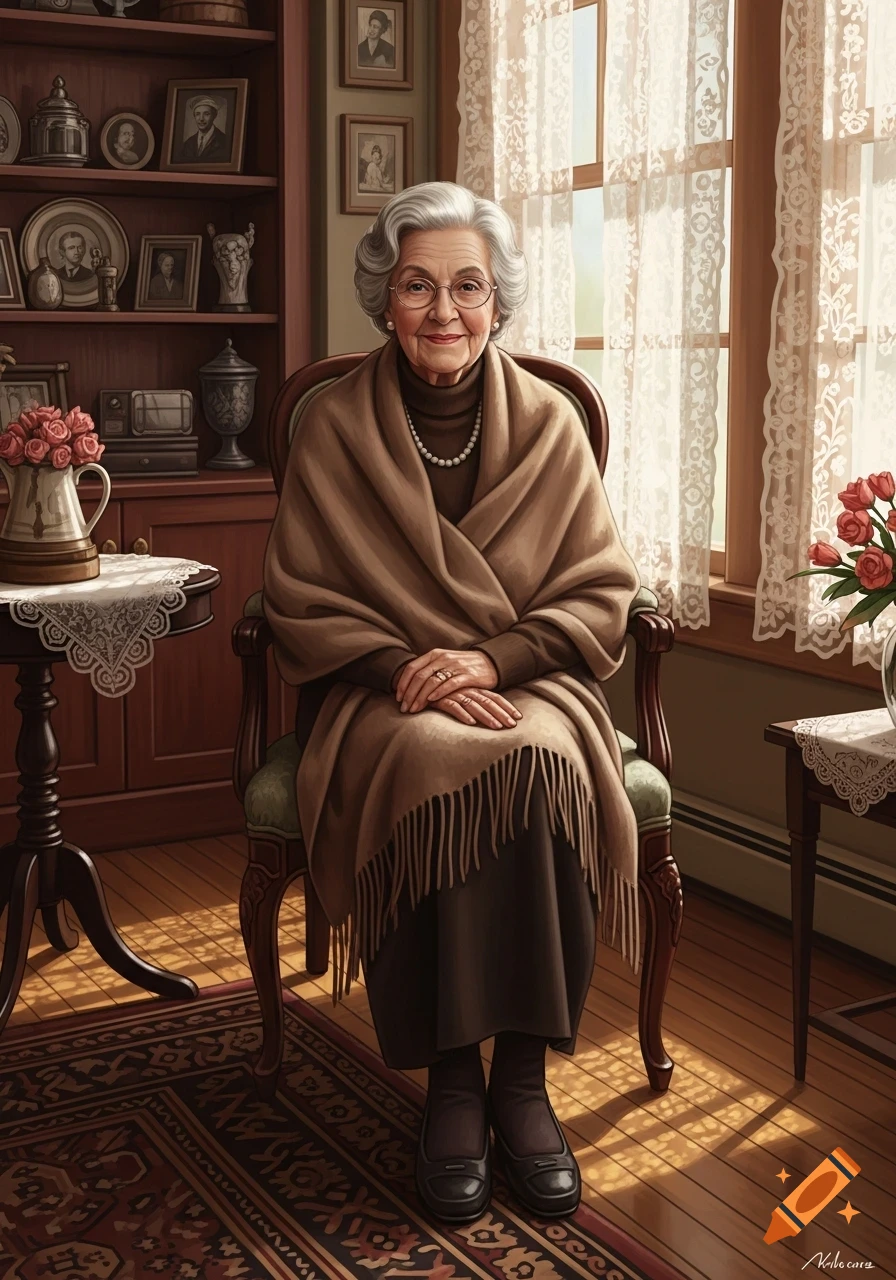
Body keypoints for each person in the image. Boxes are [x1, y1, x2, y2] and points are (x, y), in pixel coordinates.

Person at [264, 181, 641, 1227]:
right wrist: (404, 669)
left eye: (465, 286)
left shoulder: (553, 424)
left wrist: (492, 659)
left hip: (528, 677)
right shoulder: (334, 426)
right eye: (417, 285)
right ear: (382, 300)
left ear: (498, 300)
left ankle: (521, 1081)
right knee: (435, 761)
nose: (443, 310)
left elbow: (600, 589)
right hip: (376, 683)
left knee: (540, 759)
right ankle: (452, 1085)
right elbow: (298, 597)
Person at [177, 96, 229, 164]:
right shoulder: (188, 144)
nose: (201, 119)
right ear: (194, 116)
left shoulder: (224, 141)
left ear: (214, 115)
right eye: (197, 114)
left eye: (206, 114)